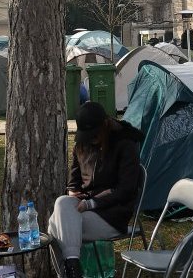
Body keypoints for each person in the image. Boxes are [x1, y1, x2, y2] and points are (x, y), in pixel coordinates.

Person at [49, 102, 143, 278]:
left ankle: (69, 272)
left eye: (95, 134)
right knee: (62, 202)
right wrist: (73, 191)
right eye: (87, 135)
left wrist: (92, 203)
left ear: (105, 125)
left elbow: (126, 190)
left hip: (113, 215)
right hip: (84, 206)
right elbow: (74, 180)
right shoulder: (82, 144)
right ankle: (73, 268)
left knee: (54, 227)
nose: (91, 139)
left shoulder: (125, 144)